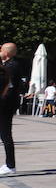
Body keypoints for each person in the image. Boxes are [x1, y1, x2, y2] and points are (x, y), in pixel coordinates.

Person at [0, 42, 21, 175]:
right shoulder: (9, 65)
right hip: (6, 103)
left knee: (6, 134)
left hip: (5, 105)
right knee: (4, 134)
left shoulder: (11, 66)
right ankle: (9, 164)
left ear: (6, 53)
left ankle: (10, 165)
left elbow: (8, 87)